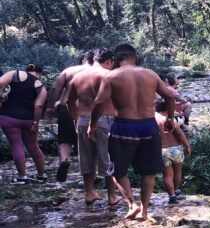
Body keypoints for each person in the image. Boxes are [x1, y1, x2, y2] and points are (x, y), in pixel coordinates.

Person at [89, 44, 179, 221]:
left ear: (115, 60)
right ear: (135, 57)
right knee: (149, 172)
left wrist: (92, 125)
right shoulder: (151, 74)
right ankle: (145, 211)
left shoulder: (111, 76)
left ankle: (132, 205)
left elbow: (99, 102)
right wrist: (169, 119)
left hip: (124, 126)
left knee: (117, 171)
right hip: (148, 125)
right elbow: (169, 97)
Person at [65, 49, 120, 206]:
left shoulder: (78, 77)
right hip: (104, 120)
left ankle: (89, 193)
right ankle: (111, 196)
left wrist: (76, 119)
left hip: (82, 119)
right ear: (109, 61)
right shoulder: (107, 76)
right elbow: (103, 102)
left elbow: (69, 101)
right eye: (112, 63)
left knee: (86, 157)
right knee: (109, 158)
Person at [45, 51, 93, 182]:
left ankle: (64, 160)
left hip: (66, 107)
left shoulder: (70, 70)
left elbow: (55, 88)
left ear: (83, 59)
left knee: (65, 139)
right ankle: (92, 171)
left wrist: (49, 107)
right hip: (89, 110)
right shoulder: (99, 72)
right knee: (88, 141)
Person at [0, 64, 48, 183]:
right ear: (39, 73)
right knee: (33, 146)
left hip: (8, 117)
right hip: (28, 120)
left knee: (17, 145)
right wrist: (35, 124)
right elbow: (39, 106)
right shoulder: (41, 87)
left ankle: (22, 177)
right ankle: (42, 175)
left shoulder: (14, 74)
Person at [155, 99, 190, 203]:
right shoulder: (170, 120)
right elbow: (179, 134)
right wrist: (187, 146)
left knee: (167, 175)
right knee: (177, 172)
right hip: (175, 148)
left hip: (162, 149)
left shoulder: (154, 119)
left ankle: (171, 195)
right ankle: (175, 190)